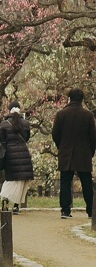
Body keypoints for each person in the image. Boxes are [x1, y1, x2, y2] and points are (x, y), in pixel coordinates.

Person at [51, 88, 96, 220]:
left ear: (69, 98)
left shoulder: (61, 114)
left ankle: (65, 210)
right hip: (83, 153)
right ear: (82, 99)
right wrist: (90, 152)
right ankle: (91, 210)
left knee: (65, 181)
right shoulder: (88, 115)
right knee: (87, 182)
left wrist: (62, 146)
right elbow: (93, 137)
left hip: (66, 152)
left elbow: (55, 134)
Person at [0, 102, 33, 214]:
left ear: (9, 110)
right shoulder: (26, 123)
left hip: (10, 155)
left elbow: (1, 140)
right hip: (24, 154)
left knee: (10, 180)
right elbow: (26, 138)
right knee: (22, 181)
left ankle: (5, 202)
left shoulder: (4, 124)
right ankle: (17, 206)